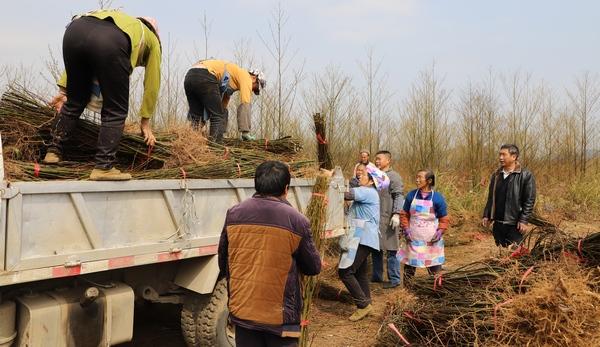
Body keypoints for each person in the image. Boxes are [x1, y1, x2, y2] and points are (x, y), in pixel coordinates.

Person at [44, 9, 161, 181]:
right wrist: (145, 121)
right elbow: (152, 82)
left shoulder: (118, 20)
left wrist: (64, 91)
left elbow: (85, 48)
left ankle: (53, 151)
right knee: (116, 110)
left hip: (74, 31)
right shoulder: (152, 39)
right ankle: (104, 167)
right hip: (109, 42)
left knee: (75, 101)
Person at [218, 161, 321, 347]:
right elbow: (313, 267)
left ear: (256, 184)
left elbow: (223, 262)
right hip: (279, 318)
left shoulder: (233, 214)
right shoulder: (297, 221)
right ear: (286, 188)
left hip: (243, 311)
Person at [337, 164, 388, 321]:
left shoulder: (368, 192)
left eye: (364, 175)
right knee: (359, 273)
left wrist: (332, 181)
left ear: (372, 181)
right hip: (362, 237)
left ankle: (363, 305)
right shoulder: (368, 192)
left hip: (362, 237)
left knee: (345, 271)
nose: (360, 176)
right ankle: (367, 303)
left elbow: (345, 194)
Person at [184, 59, 266, 143]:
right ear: (254, 77)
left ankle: (189, 142)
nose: (252, 90)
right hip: (205, 75)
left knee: (197, 118)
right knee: (217, 116)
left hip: (190, 76)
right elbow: (245, 104)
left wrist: (221, 130)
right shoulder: (246, 76)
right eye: (255, 87)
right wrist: (245, 131)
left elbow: (222, 107)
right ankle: (216, 148)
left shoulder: (232, 77)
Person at [399, 169, 449, 281]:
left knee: (434, 269)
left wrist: (440, 231)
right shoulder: (411, 195)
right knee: (409, 269)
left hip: (432, 241)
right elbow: (404, 214)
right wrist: (406, 229)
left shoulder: (437, 198)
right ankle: (408, 291)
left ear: (429, 180)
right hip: (413, 239)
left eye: (420, 177)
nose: (417, 180)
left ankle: (437, 292)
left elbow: (444, 218)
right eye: (416, 177)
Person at [482, 144, 536, 247]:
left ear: (514, 156)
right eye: (500, 155)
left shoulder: (525, 175)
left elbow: (529, 200)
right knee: (501, 254)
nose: (500, 158)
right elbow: (491, 197)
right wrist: (487, 214)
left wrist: (524, 219)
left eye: (503, 155)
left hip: (514, 224)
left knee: (515, 254)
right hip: (498, 223)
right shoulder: (496, 175)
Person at [373, 150, 405, 288]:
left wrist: (397, 213)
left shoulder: (394, 176)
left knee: (392, 249)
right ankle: (376, 276)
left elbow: (398, 195)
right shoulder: (375, 175)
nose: (377, 161)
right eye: (376, 159)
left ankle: (394, 279)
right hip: (376, 218)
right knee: (375, 248)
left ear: (388, 160)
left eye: (379, 159)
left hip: (390, 219)